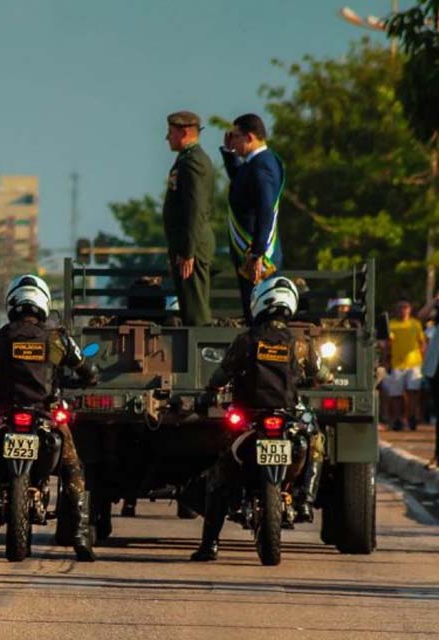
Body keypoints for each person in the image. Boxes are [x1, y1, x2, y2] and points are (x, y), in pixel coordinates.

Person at [0, 274, 99, 561]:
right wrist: (86, 378)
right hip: (45, 415)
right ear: (44, 304)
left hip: (4, 415)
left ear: (13, 303)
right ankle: (81, 534)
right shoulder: (58, 338)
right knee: (72, 466)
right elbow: (88, 371)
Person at [192, 277, 329, 561]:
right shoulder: (300, 343)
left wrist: (207, 394)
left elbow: (222, 375)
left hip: (250, 420)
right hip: (287, 417)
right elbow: (320, 373)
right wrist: (324, 379)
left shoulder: (246, 339)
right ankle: (305, 500)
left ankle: (210, 544)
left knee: (218, 477)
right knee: (316, 440)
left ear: (260, 303)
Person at [221, 113, 285, 324]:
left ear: (249, 137)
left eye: (236, 136)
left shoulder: (262, 165)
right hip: (248, 250)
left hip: (256, 255)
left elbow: (265, 209)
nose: (233, 140)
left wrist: (257, 252)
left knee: (260, 314)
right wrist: (229, 152)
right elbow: (241, 182)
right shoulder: (254, 163)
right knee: (252, 312)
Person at [162, 110, 216, 326]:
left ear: (184, 133)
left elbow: (195, 208)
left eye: (171, 132)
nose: (167, 137)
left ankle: (201, 354)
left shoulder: (194, 162)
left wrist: (188, 251)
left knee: (196, 309)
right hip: (186, 244)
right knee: (189, 306)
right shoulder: (186, 159)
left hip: (192, 245)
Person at [384, 299, 426, 431]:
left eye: (405, 307)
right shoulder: (392, 324)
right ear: (397, 310)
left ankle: (412, 417)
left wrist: (424, 360)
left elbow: (422, 343)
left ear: (410, 309)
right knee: (396, 394)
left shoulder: (415, 324)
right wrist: (386, 361)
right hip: (397, 363)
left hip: (414, 363)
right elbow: (387, 344)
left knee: (413, 393)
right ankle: (397, 419)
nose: (403, 310)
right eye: (400, 307)